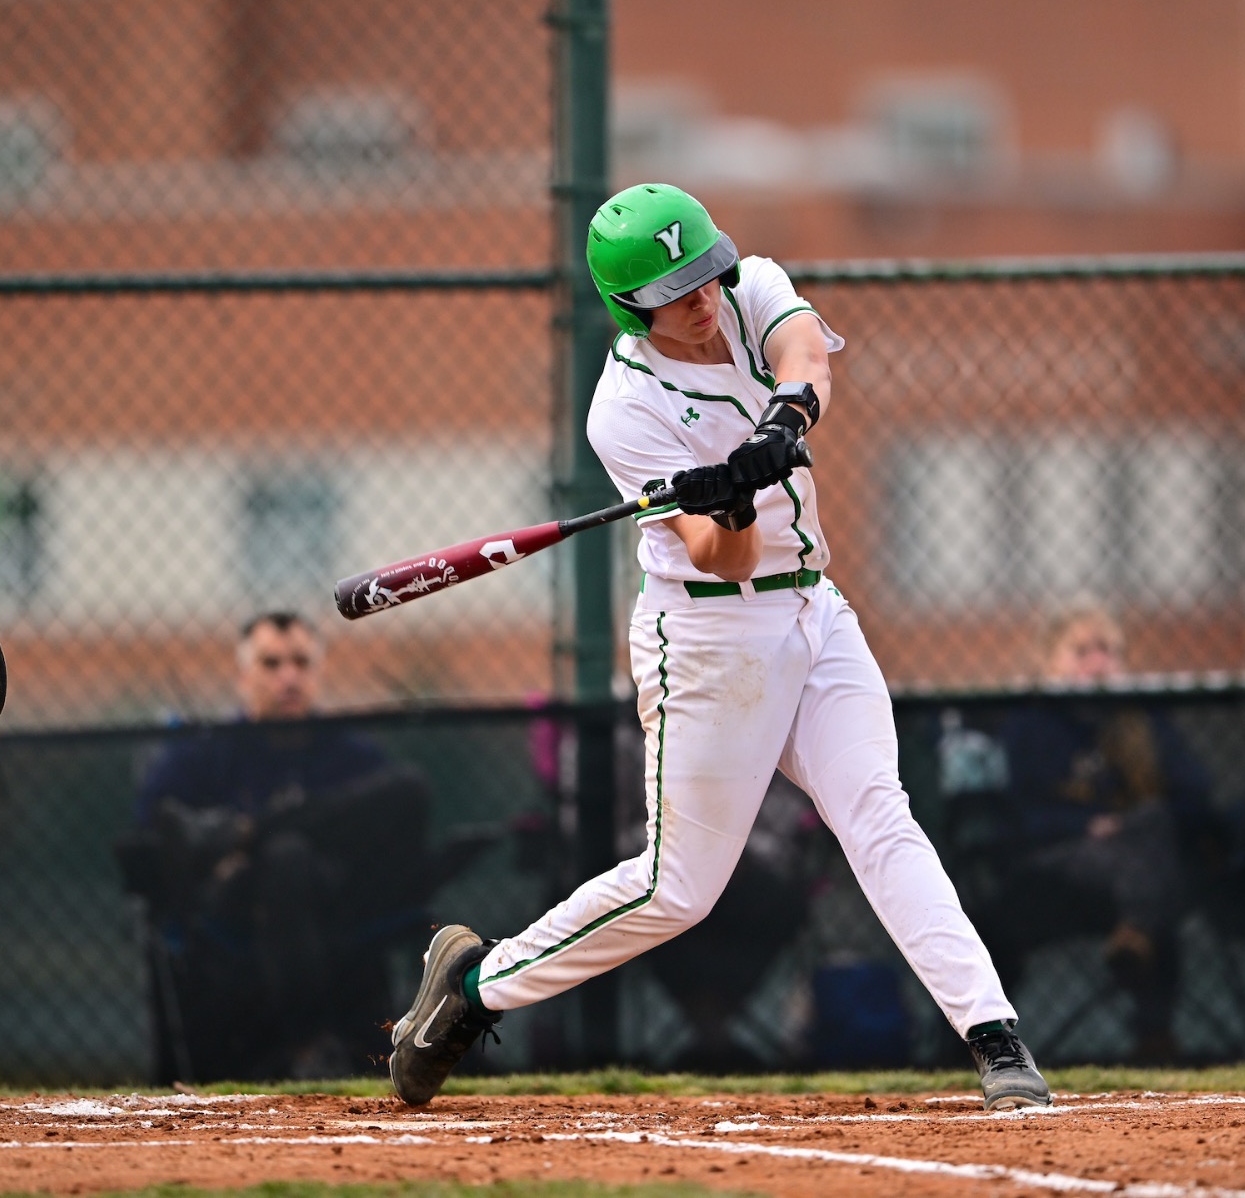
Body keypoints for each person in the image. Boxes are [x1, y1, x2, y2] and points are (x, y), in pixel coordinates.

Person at [385, 183, 1047, 1109]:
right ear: (630, 307)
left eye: (706, 272)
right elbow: (718, 557)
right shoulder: (625, 411)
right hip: (707, 636)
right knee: (678, 889)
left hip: (818, 613)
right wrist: (729, 500)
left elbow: (806, 353)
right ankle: (476, 986)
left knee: (876, 814)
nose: (703, 298)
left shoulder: (751, 289)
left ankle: (994, 1036)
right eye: (678, 290)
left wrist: (783, 422)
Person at [124, 612, 454, 1081]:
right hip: (239, 907)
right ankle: (308, 1043)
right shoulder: (206, 753)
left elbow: (402, 824)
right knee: (286, 856)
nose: (289, 677)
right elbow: (157, 825)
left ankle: (252, 833)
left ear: (318, 673)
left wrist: (243, 835)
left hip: (343, 905)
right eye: (271, 664)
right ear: (243, 678)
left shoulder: (351, 754)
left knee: (407, 788)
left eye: (301, 663)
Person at [966, 605, 1214, 1062]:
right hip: (1060, 870)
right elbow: (1018, 817)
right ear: (1050, 662)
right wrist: (1086, 825)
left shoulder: (1142, 719)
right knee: (1154, 875)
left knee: (1155, 832)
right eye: (1081, 651)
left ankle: (1141, 963)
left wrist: (1129, 824)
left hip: (1139, 858)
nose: (1097, 662)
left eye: (1108, 651)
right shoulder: (1030, 724)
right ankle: (1141, 956)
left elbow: (1195, 794)